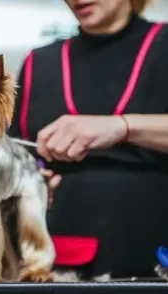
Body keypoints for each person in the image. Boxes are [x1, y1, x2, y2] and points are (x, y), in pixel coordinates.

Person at [9, 0, 168, 280]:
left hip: (156, 252)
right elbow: (17, 156)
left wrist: (121, 127)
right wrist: (33, 178)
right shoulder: (40, 63)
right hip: (60, 258)